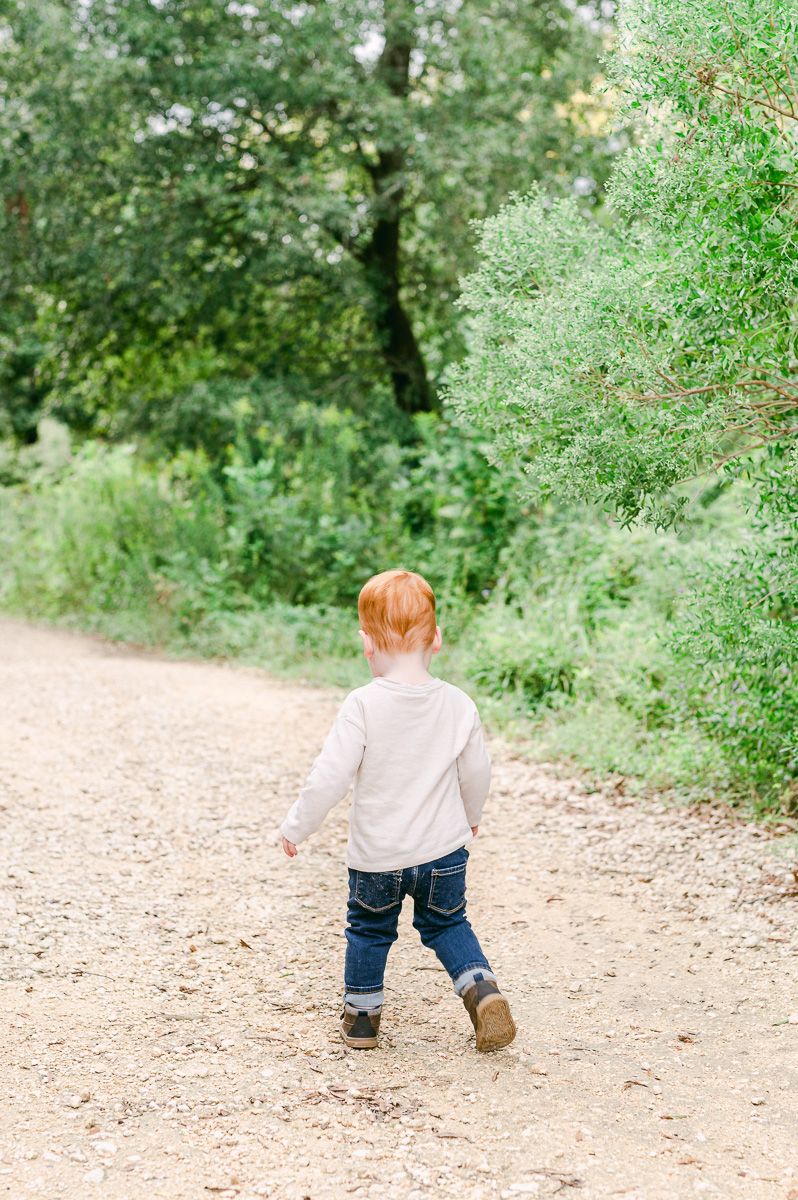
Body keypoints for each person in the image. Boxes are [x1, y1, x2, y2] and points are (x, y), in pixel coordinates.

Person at [279, 568, 516, 1052]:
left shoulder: (363, 705)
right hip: (443, 851)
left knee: (368, 929)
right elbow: (477, 773)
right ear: (438, 640)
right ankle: (481, 989)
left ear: (366, 643)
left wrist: (297, 826)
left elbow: (330, 776)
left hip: (378, 857)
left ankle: (363, 1019)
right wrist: (472, 815)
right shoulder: (458, 704)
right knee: (448, 923)